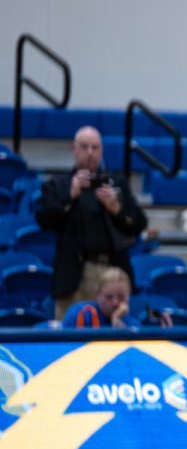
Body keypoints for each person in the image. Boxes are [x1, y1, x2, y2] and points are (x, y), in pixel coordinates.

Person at [36, 126, 147, 319]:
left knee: (114, 338)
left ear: (101, 151)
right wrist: (71, 196)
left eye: (95, 148)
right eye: (84, 147)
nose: (90, 153)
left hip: (112, 273)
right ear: (74, 149)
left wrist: (116, 209)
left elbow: (139, 223)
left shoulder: (117, 183)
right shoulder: (58, 185)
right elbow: (43, 220)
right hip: (74, 276)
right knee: (71, 336)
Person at [61, 267, 171, 328]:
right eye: (109, 297)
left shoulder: (132, 324)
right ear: (97, 295)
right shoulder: (79, 313)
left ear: (129, 296)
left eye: (121, 297)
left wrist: (116, 319)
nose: (115, 302)